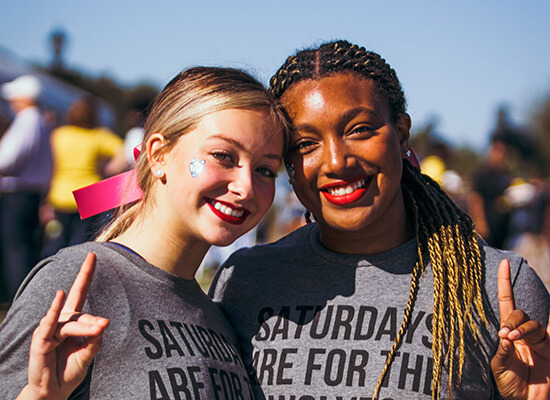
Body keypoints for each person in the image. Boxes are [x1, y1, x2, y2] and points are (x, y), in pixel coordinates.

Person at [209, 40, 550, 400]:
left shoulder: (498, 288)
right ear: (287, 164)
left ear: (401, 135)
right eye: (306, 144)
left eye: (359, 130)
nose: (337, 162)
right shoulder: (246, 280)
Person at [0, 66, 292, 399]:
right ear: (157, 155)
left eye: (265, 170)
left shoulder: (219, 315)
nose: (246, 187)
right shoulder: (78, 281)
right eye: (223, 156)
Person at [40, 95, 127, 258]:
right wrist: (108, 169)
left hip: (60, 195)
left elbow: (50, 166)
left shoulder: (59, 134)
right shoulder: (99, 136)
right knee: (80, 245)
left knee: (56, 242)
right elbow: (124, 152)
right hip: (90, 197)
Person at [0, 75, 52, 302]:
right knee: (24, 248)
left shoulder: (27, 120)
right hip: (31, 193)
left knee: (15, 249)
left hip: (17, 193)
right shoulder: (40, 121)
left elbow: (7, 159)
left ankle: (16, 301)